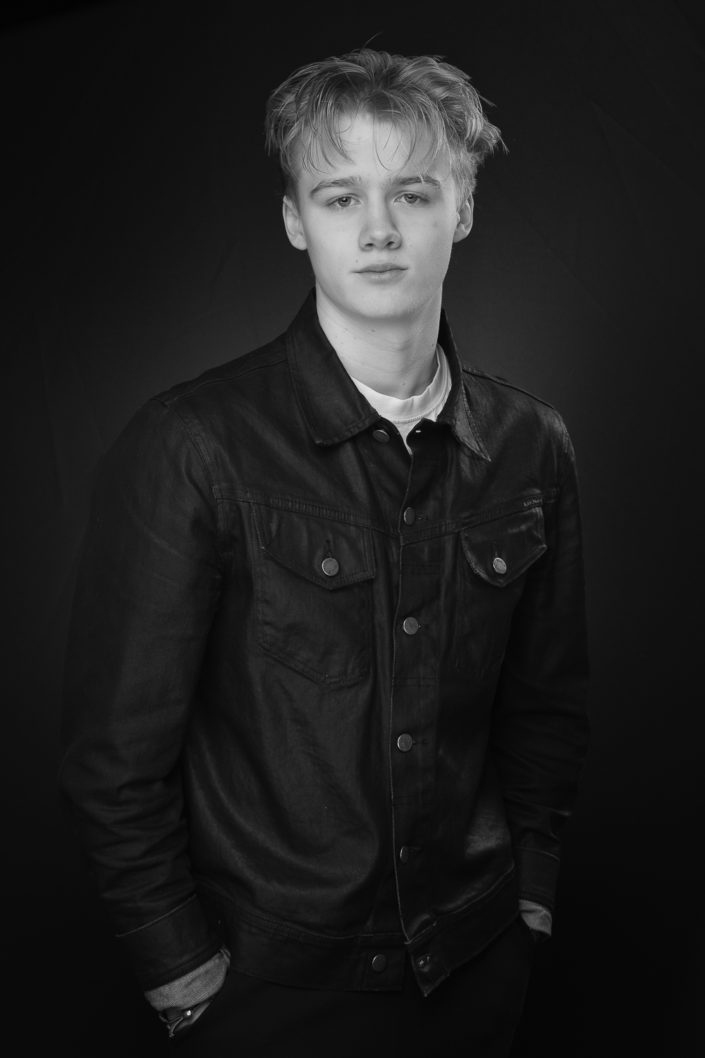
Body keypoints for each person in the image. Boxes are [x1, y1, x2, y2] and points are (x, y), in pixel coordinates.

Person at [59, 47, 590, 1057]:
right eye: (341, 197)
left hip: (478, 965)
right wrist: (182, 975)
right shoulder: (194, 442)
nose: (378, 229)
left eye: (413, 193)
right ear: (296, 220)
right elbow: (115, 759)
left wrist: (530, 895)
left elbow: (547, 704)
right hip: (268, 990)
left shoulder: (533, 444)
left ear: (462, 210)